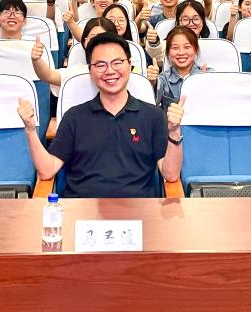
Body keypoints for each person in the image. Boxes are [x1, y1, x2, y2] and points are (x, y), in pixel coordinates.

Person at [18, 33, 185, 198]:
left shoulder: (153, 116)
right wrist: (31, 130)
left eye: (117, 63)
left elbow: (170, 175)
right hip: (82, 209)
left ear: (129, 65)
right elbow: (47, 170)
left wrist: (174, 131)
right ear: (90, 70)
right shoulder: (74, 117)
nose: (110, 71)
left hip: (138, 209)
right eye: (100, 65)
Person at [33, 17, 114, 96]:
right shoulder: (78, 72)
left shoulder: (120, 69)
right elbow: (48, 75)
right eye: (93, 38)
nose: (98, 42)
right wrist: (37, 60)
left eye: (103, 38)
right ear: (85, 42)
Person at [150, 26, 210, 109]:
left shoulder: (208, 74)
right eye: (175, 48)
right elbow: (153, 104)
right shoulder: (163, 78)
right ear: (168, 52)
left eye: (187, 47)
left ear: (195, 50)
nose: (181, 52)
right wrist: (153, 83)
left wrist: (206, 82)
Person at [147, 0, 212, 64]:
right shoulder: (170, 43)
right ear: (178, 22)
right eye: (185, 19)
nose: (191, 23)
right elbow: (160, 58)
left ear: (203, 21)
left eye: (196, 19)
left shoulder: (212, 44)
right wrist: (154, 42)